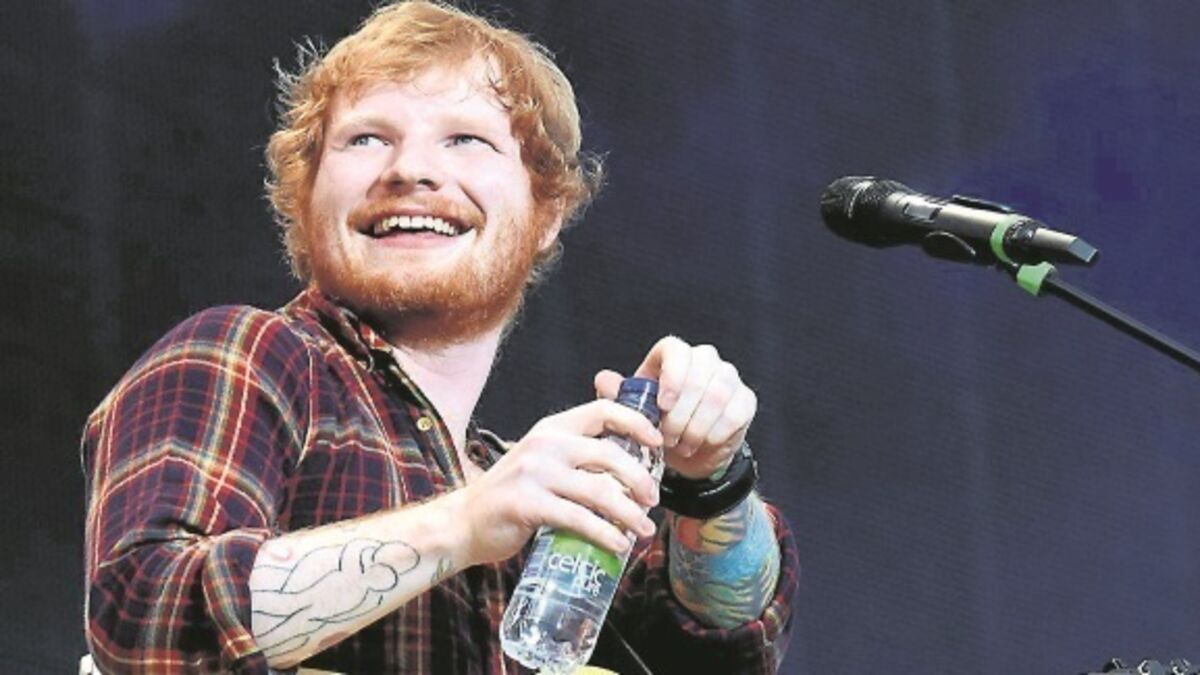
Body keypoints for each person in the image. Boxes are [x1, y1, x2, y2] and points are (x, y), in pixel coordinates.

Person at [81, 2, 799, 673]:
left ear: (545, 211)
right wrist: (465, 523)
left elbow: (722, 650)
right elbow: (143, 615)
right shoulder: (248, 354)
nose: (411, 170)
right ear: (305, 196)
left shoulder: (532, 489)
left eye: (465, 139)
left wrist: (713, 481)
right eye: (367, 138)